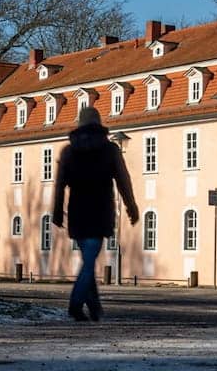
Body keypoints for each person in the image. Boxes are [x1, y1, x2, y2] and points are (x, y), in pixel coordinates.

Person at [53, 106, 139, 322]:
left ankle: (94, 307)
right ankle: (75, 303)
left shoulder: (68, 151)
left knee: (88, 259)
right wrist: (131, 206)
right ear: (99, 124)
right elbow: (123, 180)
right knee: (90, 261)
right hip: (100, 210)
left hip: (77, 211)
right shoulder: (110, 149)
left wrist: (56, 210)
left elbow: (59, 184)